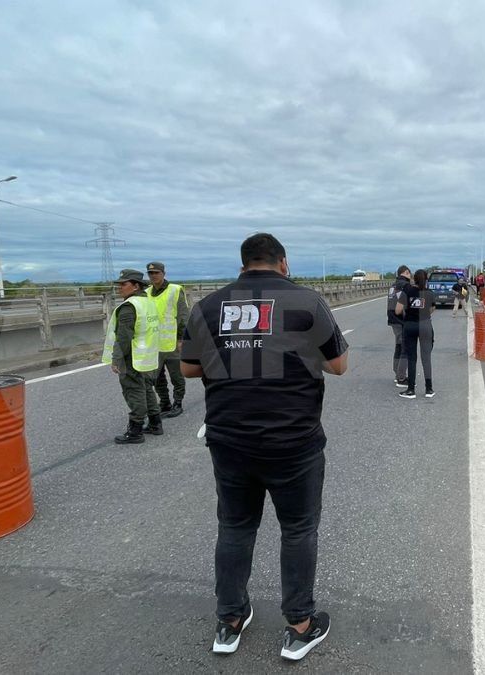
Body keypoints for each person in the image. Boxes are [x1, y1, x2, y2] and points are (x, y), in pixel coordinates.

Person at [180, 233, 348, 661]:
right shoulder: (307, 303)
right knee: (297, 529)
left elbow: (188, 368)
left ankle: (230, 620)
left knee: (235, 527)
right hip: (294, 440)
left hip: (229, 439)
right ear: (283, 263)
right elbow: (339, 365)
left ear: (242, 265)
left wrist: (236, 354)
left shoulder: (208, 306)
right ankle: (299, 625)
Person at [101, 269, 162, 444]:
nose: (120, 288)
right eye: (119, 284)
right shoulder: (148, 302)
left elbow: (123, 338)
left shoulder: (129, 307)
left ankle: (135, 431)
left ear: (136, 286)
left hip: (132, 357)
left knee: (133, 391)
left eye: (124, 284)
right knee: (146, 389)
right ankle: (156, 424)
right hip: (147, 355)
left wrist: (117, 359)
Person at [146, 261, 189, 419]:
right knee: (157, 377)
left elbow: (184, 315)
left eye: (156, 273)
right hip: (154, 344)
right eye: (151, 273)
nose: (153, 276)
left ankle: (178, 403)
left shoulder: (175, 290)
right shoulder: (147, 292)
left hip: (172, 343)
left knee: (176, 376)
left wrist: (181, 338)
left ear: (163, 273)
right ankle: (164, 402)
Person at [395, 269, 436, 399]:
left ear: (414, 279)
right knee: (426, 358)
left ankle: (411, 389)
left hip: (410, 325)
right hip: (425, 325)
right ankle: (429, 389)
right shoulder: (429, 293)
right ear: (426, 279)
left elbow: (397, 310)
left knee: (412, 358)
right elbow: (432, 309)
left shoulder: (407, 291)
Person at [387, 265, 412, 387]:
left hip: (393, 319)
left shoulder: (393, 285)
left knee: (398, 346)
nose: (410, 276)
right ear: (406, 272)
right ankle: (401, 378)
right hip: (401, 320)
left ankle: (397, 373)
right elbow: (406, 304)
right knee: (405, 349)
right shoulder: (405, 286)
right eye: (409, 273)